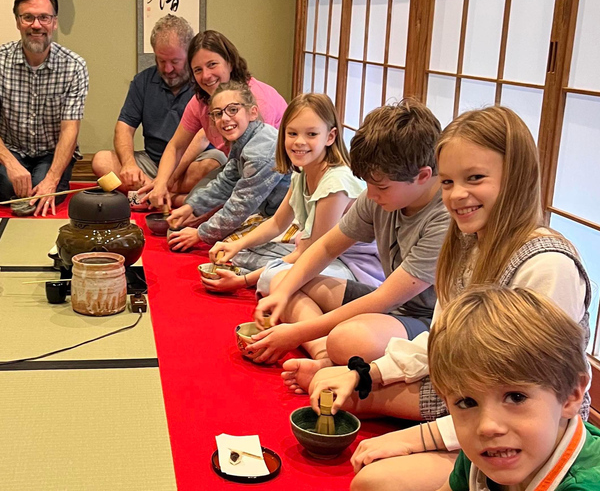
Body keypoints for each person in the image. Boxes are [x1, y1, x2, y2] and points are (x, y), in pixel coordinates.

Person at [307, 107, 591, 491]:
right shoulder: (466, 245)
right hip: (467, 401)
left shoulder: (546, 265)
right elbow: (442, 342)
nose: (457, 195)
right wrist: (367, 373)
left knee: (375, 481)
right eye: (448, 182)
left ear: (517, 177)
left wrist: (413, 438)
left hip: (525, 434)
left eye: (475, 178)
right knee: (336, 384)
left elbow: (532, 397)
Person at [247, 100, 449, 366]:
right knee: (283, 281)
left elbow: (383, 298)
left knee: (348, 341)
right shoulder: (377, 194)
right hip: (388, 304)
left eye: (383, 187)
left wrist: (296, 333)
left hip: (429, 320)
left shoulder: (445, 217)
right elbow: (327, 247)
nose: (372, 195)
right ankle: (321, 353)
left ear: (423, 175)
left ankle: (328, 350)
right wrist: (282, 295)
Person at [202, 93, 382, 296]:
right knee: (239, 253)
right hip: (314, 253)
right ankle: (263, 278)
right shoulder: (303, 171)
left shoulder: (335, 183)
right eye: (293, 133)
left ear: (330, 137)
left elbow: (315, 253)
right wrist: (237, 244)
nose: (299, 142)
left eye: (311, 134)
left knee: (274, 277)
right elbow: (278, 223)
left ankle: (264, 282)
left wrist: (242, 281)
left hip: (352, 267)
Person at [429, 287, 598, 491]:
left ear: (572, 395)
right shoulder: (488, 449)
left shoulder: (586, 484)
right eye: (467, 402)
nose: (487, 426)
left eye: (516, 397)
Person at [139, 30, 288, 209]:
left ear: (230, 63)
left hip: (273, 183)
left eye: (212, 65)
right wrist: (161, 183)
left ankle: (178, 201)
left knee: (202, 209)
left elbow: (258, 174)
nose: (206, 75)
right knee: (196, 205)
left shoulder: (257, 100)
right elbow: (176, 146)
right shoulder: (200, 101)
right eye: (198, 70)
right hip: (237, 171)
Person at [0, 0, 89, 217]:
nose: (36, 25)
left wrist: (52, 179)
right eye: (28, 17)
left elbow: (70, 130)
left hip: (51, 152)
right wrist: (11, 164)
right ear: (18, 22)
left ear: (54, 22)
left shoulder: (75, 66)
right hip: (13, 150)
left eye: (44, 17)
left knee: (40, 194)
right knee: (9, 188)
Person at [91, 15, 224, 195]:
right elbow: (124, 127)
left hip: (189, 164)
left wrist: (167, 179)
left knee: (213, 165)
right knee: (101, 160)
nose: (168, 69)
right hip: (152, 162)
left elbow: (201, 138)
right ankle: (168, 196)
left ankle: (151, 193)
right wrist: (129, 163)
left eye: (175, 62)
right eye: (161, 61)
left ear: (189, 54)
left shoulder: (204, 82)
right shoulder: (143, 81)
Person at [165, 81, 290, 251]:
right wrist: (192, 207)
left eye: (233, 110)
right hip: (272, 215)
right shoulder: (246, 139)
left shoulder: (261, 150)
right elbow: (227, 181)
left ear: (252, 112)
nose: (224, 118)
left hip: (294, 222)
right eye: (217, 113)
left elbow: (241, 205)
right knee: (227, 243)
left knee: (237, 253)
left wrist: (199, 234)